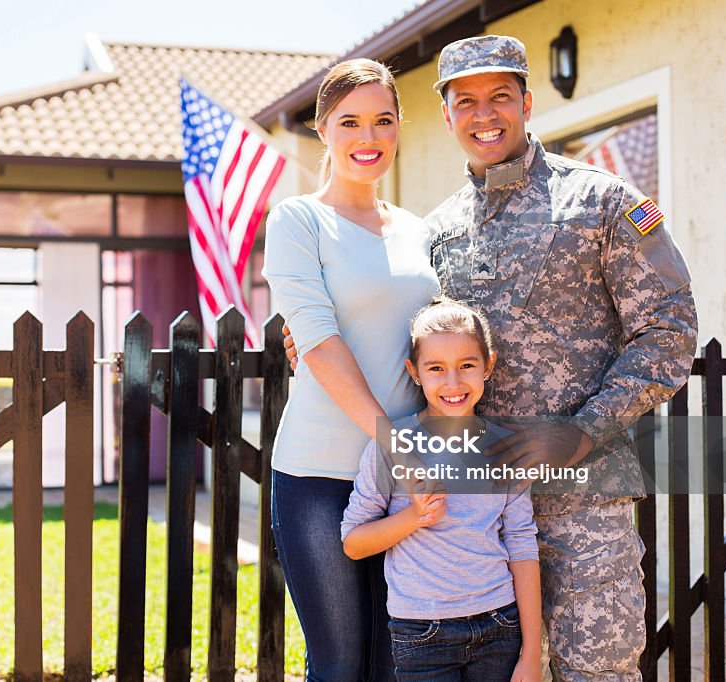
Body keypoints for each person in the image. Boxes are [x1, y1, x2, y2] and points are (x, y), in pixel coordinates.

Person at [284, 36, 698, 681]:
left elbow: (669, 331)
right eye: (466, 101)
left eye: (500, 97)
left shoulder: (603, 201)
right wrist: (304, 338)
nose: (485, 115)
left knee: (601, 670)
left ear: (528, 102)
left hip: (582, 496)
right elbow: (406, 331)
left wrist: (581, 433)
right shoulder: (436, 230)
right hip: (471, 515)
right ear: (446, 117)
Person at [262, 58, 440, 680]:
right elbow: (317, 341)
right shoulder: (297, 221)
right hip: (319, 474)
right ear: (322, 130)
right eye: (351, 123)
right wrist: (394, 443)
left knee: (399, 661)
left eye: (383, 121)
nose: (369, 138)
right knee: (339, 663)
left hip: (405, 480)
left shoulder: (420, 232)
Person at [341, 297, 542, 681]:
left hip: (500, 625)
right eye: (436, 368)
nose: (453, 382)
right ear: (413, 372)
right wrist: (413, 518)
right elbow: (353, 542)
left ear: (489, 365)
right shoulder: (391, 446)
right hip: (421, 632)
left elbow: (521, 542)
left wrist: (531, 653)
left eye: (467, 365)